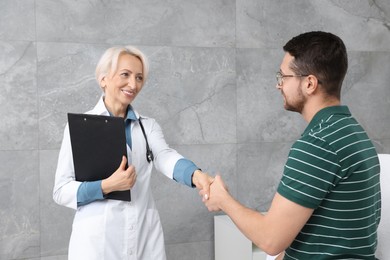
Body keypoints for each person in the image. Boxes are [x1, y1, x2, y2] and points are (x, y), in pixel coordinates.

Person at [203, 31, 381, 259]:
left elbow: (270, 240)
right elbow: (335, 230)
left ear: (309, 83)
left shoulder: (318, 143)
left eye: (283, 77)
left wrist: (223, 200)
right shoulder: (352, 132)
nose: (279, 86)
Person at [53, 45, 214, 260]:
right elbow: (61, 190)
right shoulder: (80, 127)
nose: (133, 84)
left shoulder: (148, 126)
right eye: (125, 75)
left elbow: (164, 156)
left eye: (139, 77)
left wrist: (196, 175)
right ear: (103, 79)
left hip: (143, 238)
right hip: (97, 242)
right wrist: (107, 186)